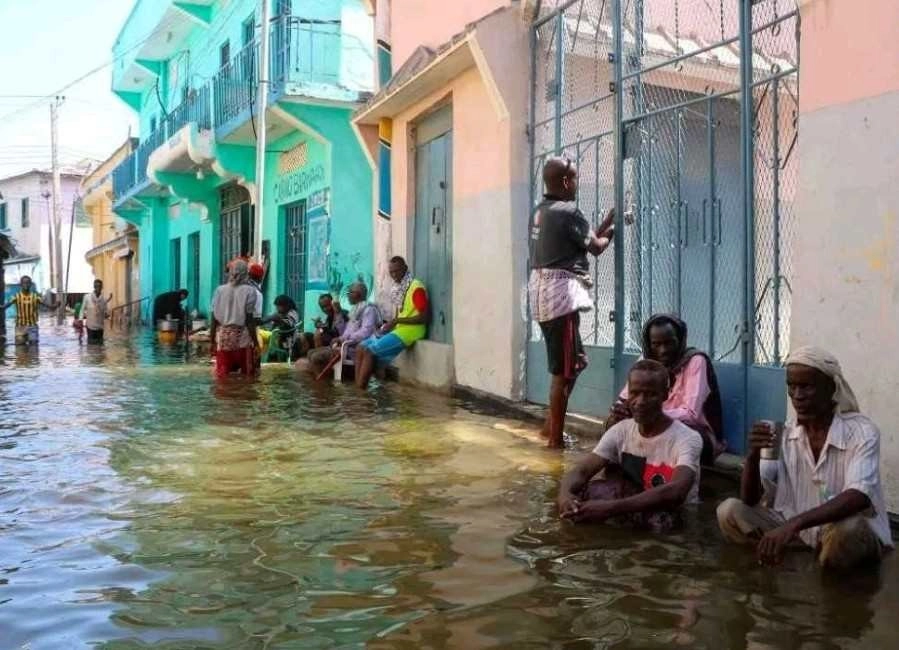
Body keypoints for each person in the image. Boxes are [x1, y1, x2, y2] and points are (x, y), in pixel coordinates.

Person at [717, 346, 893, 570]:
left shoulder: (862, 431)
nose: (797, 396)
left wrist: (794, 524)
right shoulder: (782, 433)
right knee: (729, 511)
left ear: (831, 388)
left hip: (844, 533)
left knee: (847, 531)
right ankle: (778, 561)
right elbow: (750, 500)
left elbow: (858, 496)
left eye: (806, 387)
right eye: (791, 386)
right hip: (801, 534)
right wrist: (752, 455)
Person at [557, 359, 703, 531]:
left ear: (665, 395)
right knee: (581, 497)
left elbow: (677, 491)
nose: (640, 401)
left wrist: (609, 509)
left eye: (650, 394)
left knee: (663, 522)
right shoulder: (620, 430)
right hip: (631, 506)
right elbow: (581, 471)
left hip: (672, 516)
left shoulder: (687, 438)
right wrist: (564, 497)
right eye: (634, 393)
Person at [529, 156, 615, 448]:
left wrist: (604, 222)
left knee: (574, 363)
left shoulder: (541, 211)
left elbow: (584, 242)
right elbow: (597, 247)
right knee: (564, 371)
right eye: (576, 178)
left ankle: (549, 426)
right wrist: (612, 231)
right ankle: (554, 441)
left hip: (542, 295)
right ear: (566, 181)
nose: (577, 184)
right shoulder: (569, 211)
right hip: (560, 298)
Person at [605, 314, 726, 463]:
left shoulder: (695, 361)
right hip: (650, 421)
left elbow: (691, 414)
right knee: (613, 423)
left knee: (679, 436)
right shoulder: (646, 360)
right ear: (649, 344)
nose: (663, 350)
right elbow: (626, 398)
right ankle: (622, 471)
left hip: (690, 429)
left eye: (669, 343)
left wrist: (653, 414)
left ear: (680, 340)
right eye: (656, 344)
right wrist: (620, 409)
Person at [355, 257, 429, 389]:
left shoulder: (416, 287)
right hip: (399, 329)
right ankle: (358, 386)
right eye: (391, 272)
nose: (394, 275)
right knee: (360, 347)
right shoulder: (399, 288)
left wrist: (396, 321)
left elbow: (424, 317)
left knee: (370, 351)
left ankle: (361, 392)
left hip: (412, 331)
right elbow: (401, 313)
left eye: (397, 271)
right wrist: (389, 325)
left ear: (405, 269)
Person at [308, 282, 381, 377]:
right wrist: (341, 338)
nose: (347, 295)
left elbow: (366, 332)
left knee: (315, 357)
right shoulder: (355, 309)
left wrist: (344, 339)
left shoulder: (369, 309)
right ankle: (324, 378)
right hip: (346, 346)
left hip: (355, 348)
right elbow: (346, 331)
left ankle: (322, 384)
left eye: (350, 292)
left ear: (358, 294)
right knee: (310, 353)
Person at [209, 259, 260, 378]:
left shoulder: (219, 290)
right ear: (245, 273)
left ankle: (224, 396)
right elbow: (249, 320)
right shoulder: (250, 291)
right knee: (247, 376)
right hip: (243, 339)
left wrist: (212, 340)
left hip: (223, 339)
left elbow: (213, 319)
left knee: (222, 376)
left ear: (231, 272)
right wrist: (256, 343)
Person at [1, 275, 56, 346]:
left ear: (30, 284)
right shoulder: (16, 297)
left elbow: (49, 306)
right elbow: (5, 306)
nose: (26, 285)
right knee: (20, 348)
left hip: (32, 326)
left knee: (34, 347)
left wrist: (55, 305)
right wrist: (1, 307)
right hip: (20, 326)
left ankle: (32, 357)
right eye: (24, 283)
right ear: (21, 285)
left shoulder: (35, 297)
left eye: (28, 283)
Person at [260, 294, 300, 361]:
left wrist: (276, 318)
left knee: (259, 335)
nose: (277, 308)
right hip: (277, 336)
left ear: (286, 305)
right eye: (276, 306)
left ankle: (265, 358)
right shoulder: (281, 314)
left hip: (285, 339)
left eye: (279, 306)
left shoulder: (292, 313)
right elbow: (271, 326)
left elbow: (289, 323)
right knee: (259, 333)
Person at [81, 279, 112, 345]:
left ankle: (99, 355)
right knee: (91, 345)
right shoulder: (87, 297)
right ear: (94, 287)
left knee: (100, 345)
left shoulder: (103, 299)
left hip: (100, 327)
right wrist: (80, 320)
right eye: (96, 286)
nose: (98, 288)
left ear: (102, 287)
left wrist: (107, 315)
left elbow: (106, 311)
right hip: (90, 327)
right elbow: (82, 309)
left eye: (100, 286)